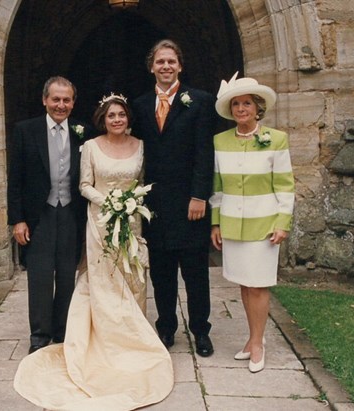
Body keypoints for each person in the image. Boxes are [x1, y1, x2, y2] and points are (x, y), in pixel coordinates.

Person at [13, 94, 174, 410]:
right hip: (99, 222)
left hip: (132, 219)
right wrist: (110, 204)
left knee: (133, 277)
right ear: (104, 118)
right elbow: (84, 185)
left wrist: (128, 206)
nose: (117, 120)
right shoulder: (89, 146)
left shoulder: (141, 146)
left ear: (128, 118)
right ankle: (99, 335)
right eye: (112, 115)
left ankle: (133, 337)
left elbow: (142, 183)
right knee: (102, 279)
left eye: (122, 115)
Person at [132, 39, 217, 357]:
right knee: (162, 272)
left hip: (189, 203)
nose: (165, 66)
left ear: (180, 65)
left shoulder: (199, 100)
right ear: (152, 67)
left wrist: (199, 195)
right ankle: (165, 327)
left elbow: (203, 153)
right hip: (155, 206)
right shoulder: (140, 106)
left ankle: (201, 331)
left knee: (195, 272)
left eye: (171, 61)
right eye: (159, 62)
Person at [210, 73, 295, 373]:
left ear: (258, 108)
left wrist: (283, 221)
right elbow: (217, 187)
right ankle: (251, 338)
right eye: (236, 104)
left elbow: (285, 185)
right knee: (245, 285)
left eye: (246, 103)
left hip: (265, 224)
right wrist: (216, 223)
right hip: (233, 224)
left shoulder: (275, 139)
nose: (241, 109)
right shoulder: (220, 141)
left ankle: (259, 343)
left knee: (258, 285)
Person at [7, 76, 90, 354]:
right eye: (56, 99)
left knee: (67, 275)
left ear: (73, 102)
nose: (61, 105)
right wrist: (17, 219)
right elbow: (15, 179)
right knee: (40, 276)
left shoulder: (83, 132)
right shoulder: (25, 130)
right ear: (45, 100)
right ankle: (39, 335)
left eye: (66, 100)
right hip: (38, 215)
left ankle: (62, 330)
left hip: (70, 213)